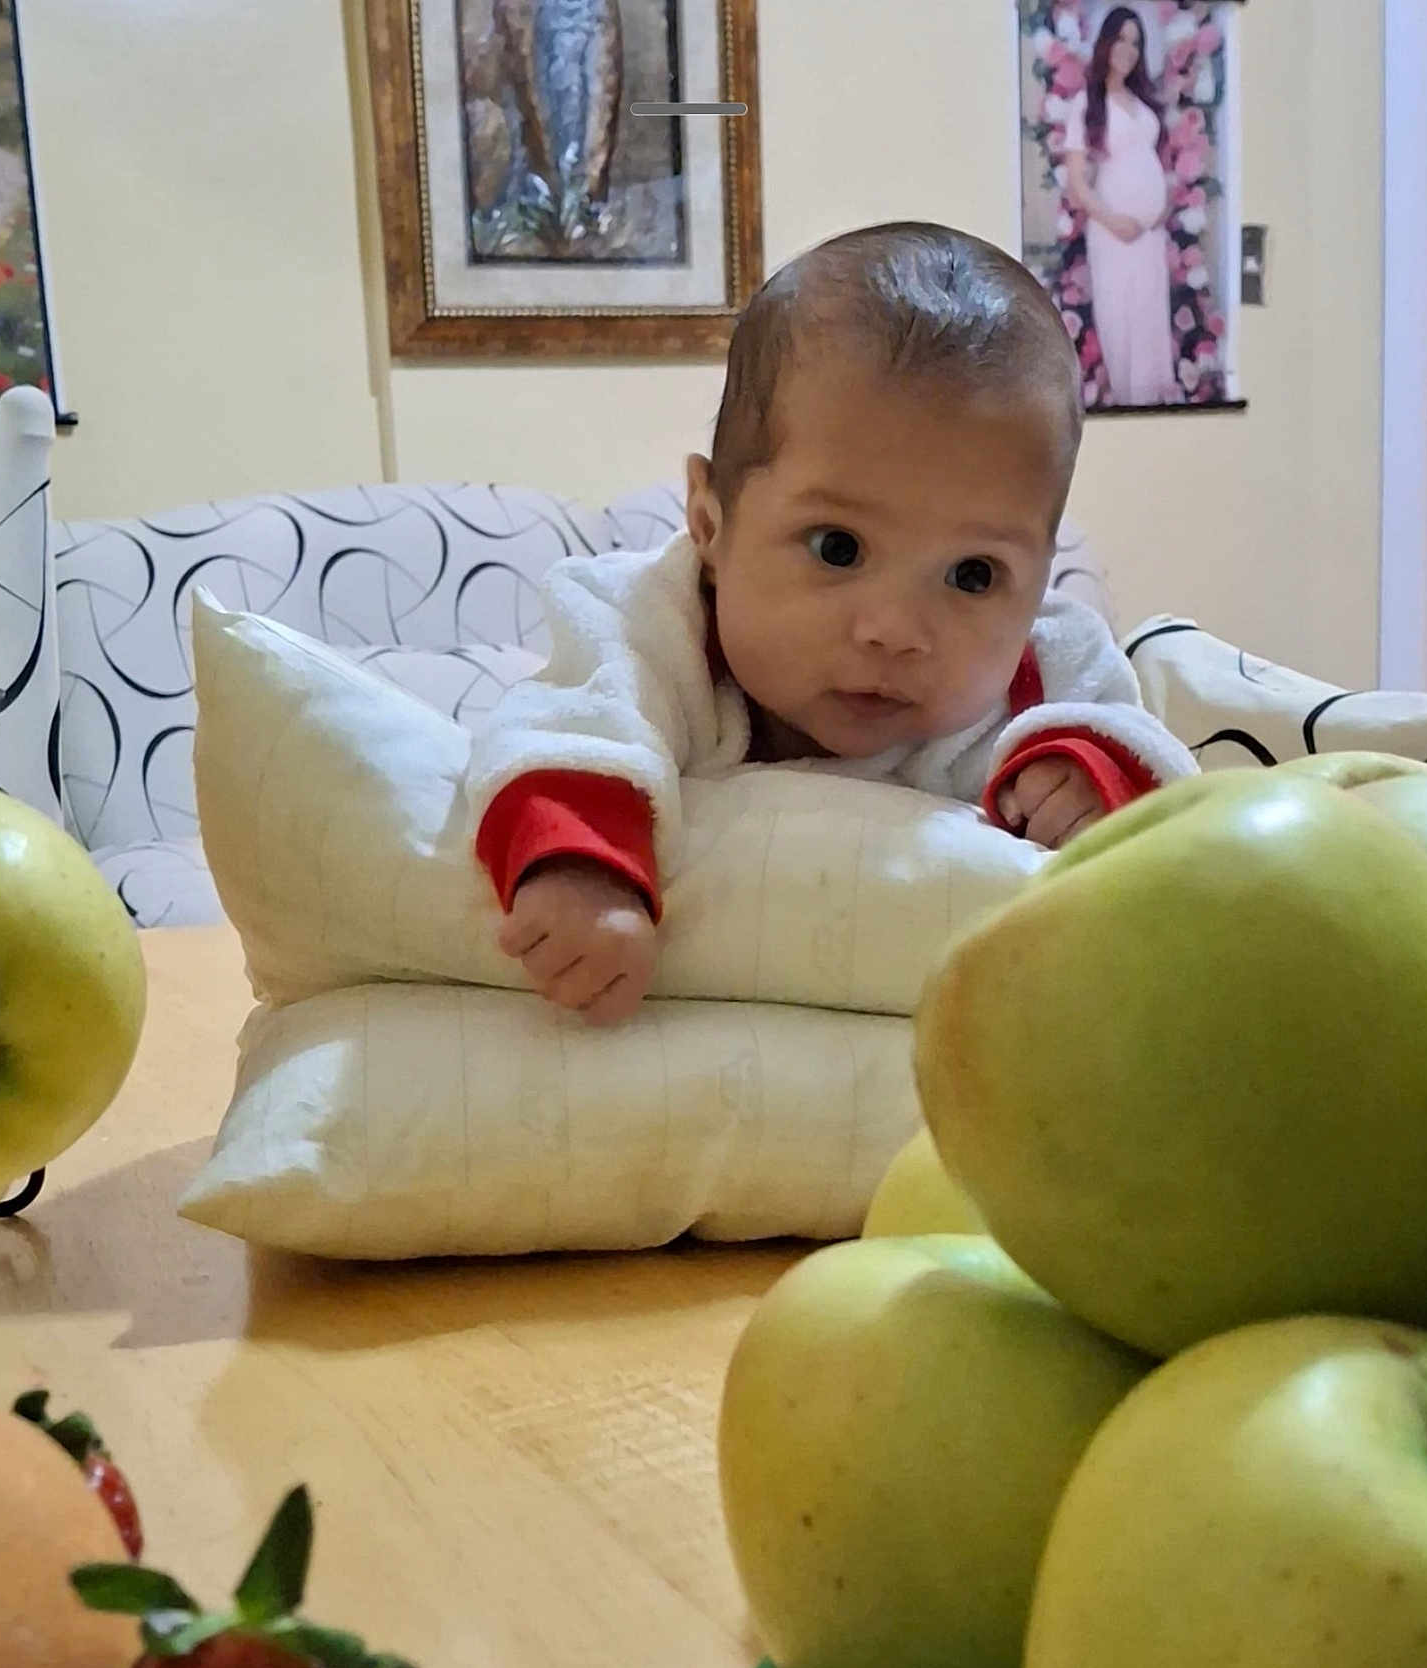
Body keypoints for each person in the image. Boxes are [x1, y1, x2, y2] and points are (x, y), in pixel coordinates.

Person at [465, 220, 1196, 1025]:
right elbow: (568, 724)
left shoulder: (1048, 671)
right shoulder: (646, 622)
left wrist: (1092, 789)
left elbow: (1160, 804)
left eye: (973, 575)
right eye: (838, 548)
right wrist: (580, 871)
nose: (895, 630)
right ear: (710, 525)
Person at [1063, 6, 1175, 407]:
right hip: (1113, 235)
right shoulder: (1086, 103)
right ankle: (1132, 408)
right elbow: (1077, 184)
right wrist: (1114, 222)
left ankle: (1158, 414)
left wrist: (1160, 208)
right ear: (1106, 42)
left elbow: (1155, 163)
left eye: (1136, 41)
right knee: (1120, 323)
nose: (1128, 49)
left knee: (1150, 323)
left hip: (1149, 235)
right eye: (1121, 39)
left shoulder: (1143, 100)